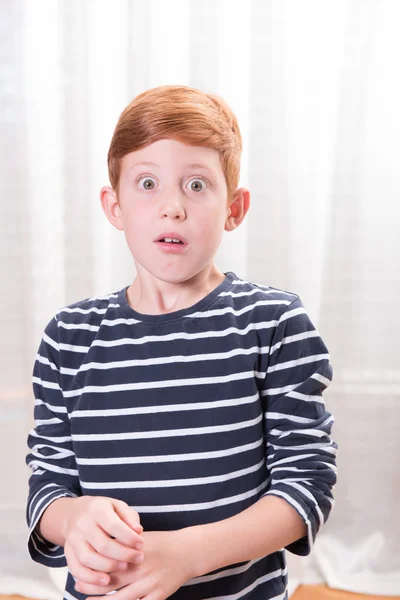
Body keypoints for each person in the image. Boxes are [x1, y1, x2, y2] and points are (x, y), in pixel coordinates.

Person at [26, 84, 337, 600]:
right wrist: (74, 516)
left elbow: (305, 487)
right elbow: (47, 490)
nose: (172, 207)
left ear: (234, 208)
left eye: (196, 185)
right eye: (147, 183)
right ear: (115, 205)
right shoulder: (68, 338)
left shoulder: (274, 323)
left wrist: (189, 553)